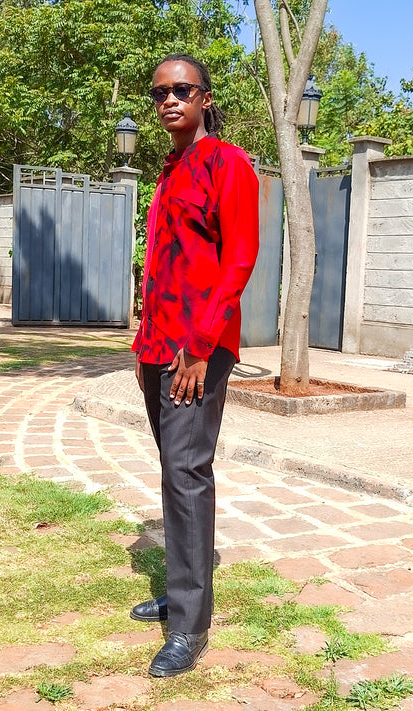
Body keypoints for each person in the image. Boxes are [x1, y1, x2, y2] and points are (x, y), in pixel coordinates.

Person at [130, 53, 259, 678]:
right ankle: (181, 588)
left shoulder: (226, 163)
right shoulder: (169, 170)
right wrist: (142, 347)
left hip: (197, 350)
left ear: (205, 97)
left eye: (181, 90)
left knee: (186, 473)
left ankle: (188, 624)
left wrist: (202, 346)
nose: (169, 101)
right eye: (160, 93)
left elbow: (240, 258)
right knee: (173, 470)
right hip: (160, 347)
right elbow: (160, 266)